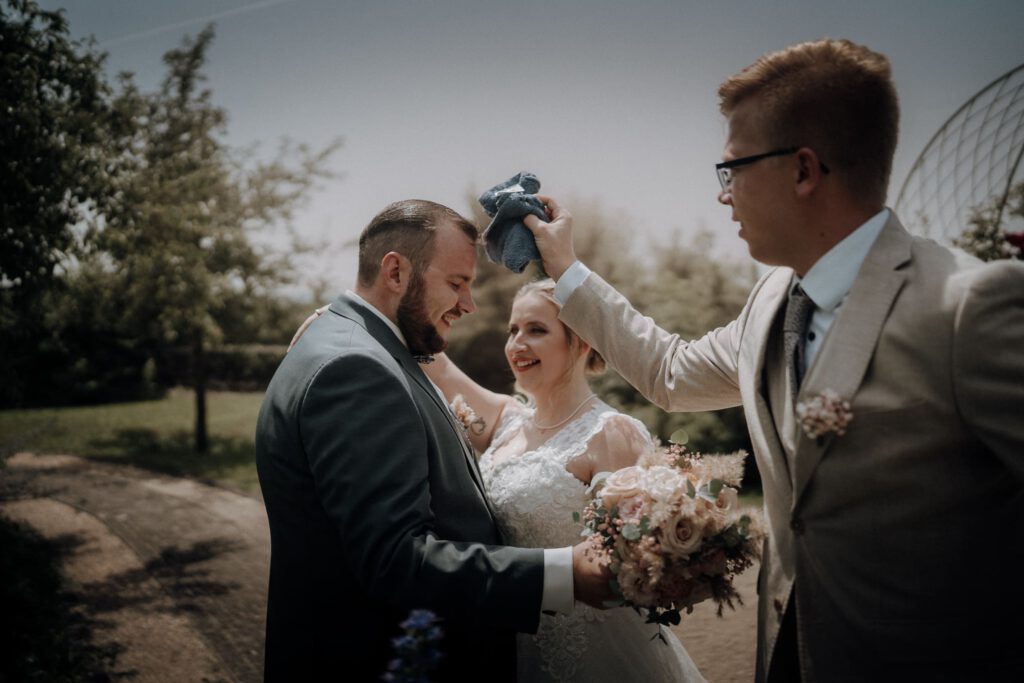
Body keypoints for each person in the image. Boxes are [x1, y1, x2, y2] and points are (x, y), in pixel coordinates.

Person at [524, 39, 1024, 682]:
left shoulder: (969, 306)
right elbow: (671, 374)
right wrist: (565, 270)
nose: (722, 196)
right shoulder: (770, 301)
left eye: (731, 169)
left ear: (804, 170)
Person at [255, 200, 610, 682]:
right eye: (457, 283)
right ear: (396, 272)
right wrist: (562, 574)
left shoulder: (360, 347)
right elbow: (395, 557)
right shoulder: (358, 369)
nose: (469, 304)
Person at [416, 278, 707, 682]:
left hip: (598, 655)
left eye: (536, 330)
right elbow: (436, 362)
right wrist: (370, 319)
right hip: (514, 644)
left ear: (581, 341)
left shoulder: (611, 433)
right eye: (512, 330)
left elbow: (625, 566)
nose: (517, 343)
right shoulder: (505, 421)